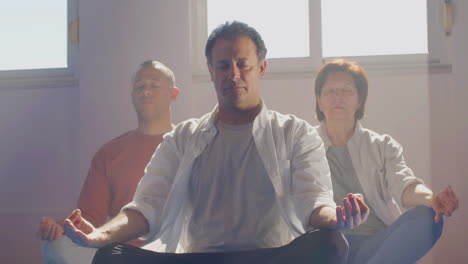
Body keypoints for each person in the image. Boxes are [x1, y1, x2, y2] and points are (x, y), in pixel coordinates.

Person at [63, 21, 369, 264]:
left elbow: (313, 200)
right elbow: (146, 207)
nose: (233, 74)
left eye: (242, 64)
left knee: (330, 243)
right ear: (211, 72)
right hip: (198, 258)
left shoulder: (295, 133)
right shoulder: (182, 137)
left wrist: (337, 217)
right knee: (110, 258)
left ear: (261, 68)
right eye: (223, 66)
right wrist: (100, 234)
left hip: (268, 258)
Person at [313, 58, 459, 264]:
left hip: (377, 244)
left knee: (427, 218)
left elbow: (404, 184)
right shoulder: (303, 144)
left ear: (359, 101)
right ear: (319, 100)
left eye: (347, 91)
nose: (338, 97)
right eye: (330, 91)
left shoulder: (382, 145)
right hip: (327, 245)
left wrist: (431, 199)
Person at [39, 60, 180, 263]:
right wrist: (61, 228)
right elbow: (89, 217)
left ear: (173, 94)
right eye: (140, 86)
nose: (146, 91)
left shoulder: (187, 144)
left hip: (175, 250)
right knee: (55, 246)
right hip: (121, 253)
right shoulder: (110, 152)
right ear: (133, 96)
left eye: (154, 85)